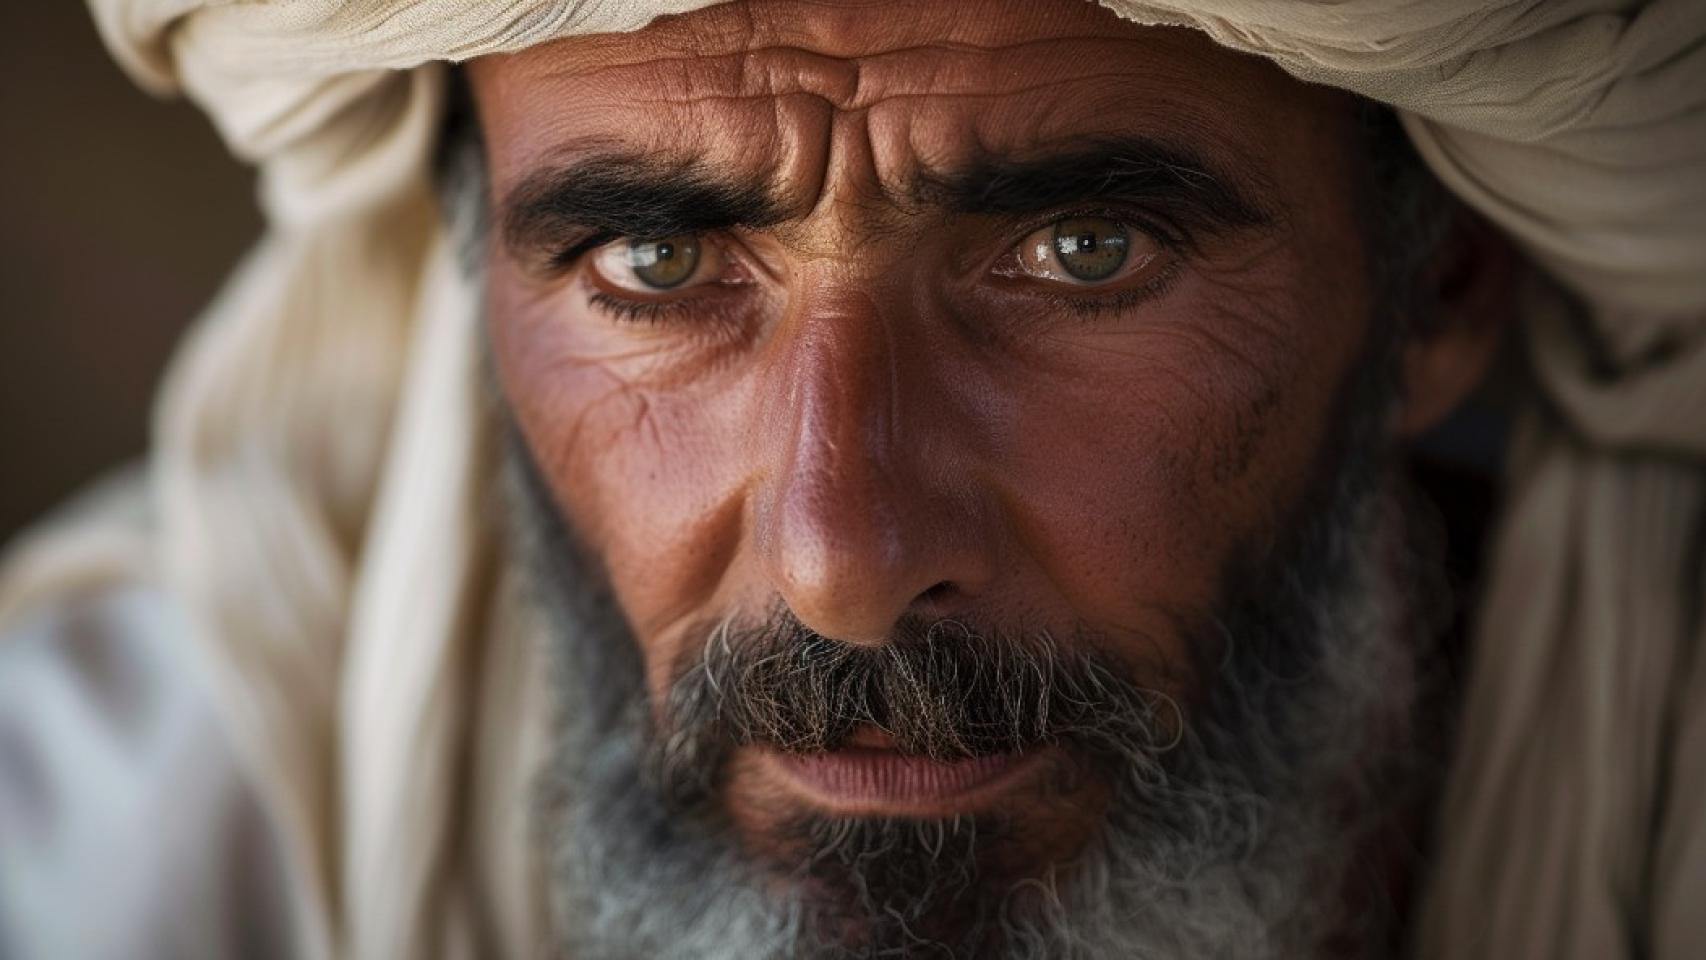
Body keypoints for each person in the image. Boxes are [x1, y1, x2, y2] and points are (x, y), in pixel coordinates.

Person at [1, 1, 1701, 958]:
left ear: (1437, 290)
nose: (841, 561)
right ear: (473, 295)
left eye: (1080, 251)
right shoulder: (117, 838)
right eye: (656, 265)